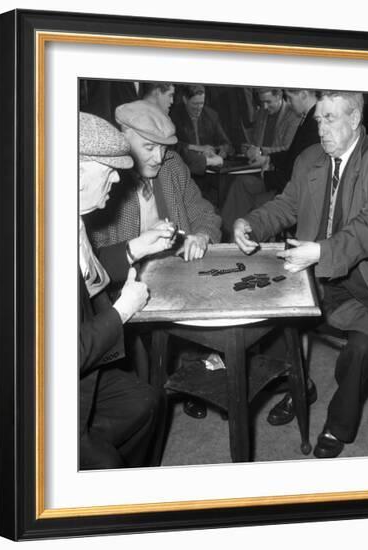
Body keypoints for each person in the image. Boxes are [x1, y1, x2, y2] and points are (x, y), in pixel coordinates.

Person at [234, 91, 368, 458]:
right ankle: (300, 388)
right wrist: (251, 222)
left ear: (354, 119)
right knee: (263, 314)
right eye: (318, 119)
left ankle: (337, 424)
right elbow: (287, 205)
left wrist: (320, 251)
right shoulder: (309, 159)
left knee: (362, 348)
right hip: (311, 273)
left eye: (330, 118)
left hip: (365, 280)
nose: (321, 128)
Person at [85, 100, 222, 419]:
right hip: (126, 283)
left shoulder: (172, 165)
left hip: (178, 273)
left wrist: (201, 234)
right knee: (146, 381)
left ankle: (194, 379)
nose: (158, 157)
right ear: (124, 136)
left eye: (163, 148)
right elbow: (97, 257)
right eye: (149, 147)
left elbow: (205, 213)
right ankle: (160, 390)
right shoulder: (106, 180)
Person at [78, 112, 171, 470]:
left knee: (146, 401)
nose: (117, 177)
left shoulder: (71, 216)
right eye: (108, 169)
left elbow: (88, 269)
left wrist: (137, 247)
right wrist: (122, 311)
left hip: (84, 372)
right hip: (43, 401)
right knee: (104, 464)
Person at [221, 89, 319, 237]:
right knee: (238, 184)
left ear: (303, 95)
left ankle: (236, 232)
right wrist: (263, 155)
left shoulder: (305, 119)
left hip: (286, 183)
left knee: (249, 192)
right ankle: (229, 231)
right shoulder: (304, 117)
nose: (290, 103)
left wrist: (267, 167)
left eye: (290, 98)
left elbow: (294, 161)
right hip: (276, 173)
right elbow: (292, 155)